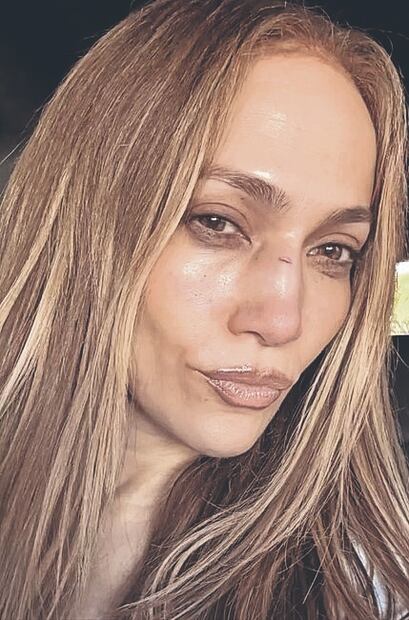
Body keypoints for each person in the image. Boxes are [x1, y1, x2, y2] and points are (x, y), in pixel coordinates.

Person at [0, 0, 408, 618]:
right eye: (217, 222)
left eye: (333, 250)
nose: (283, 321)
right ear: (87, 220)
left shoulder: (360, 590)